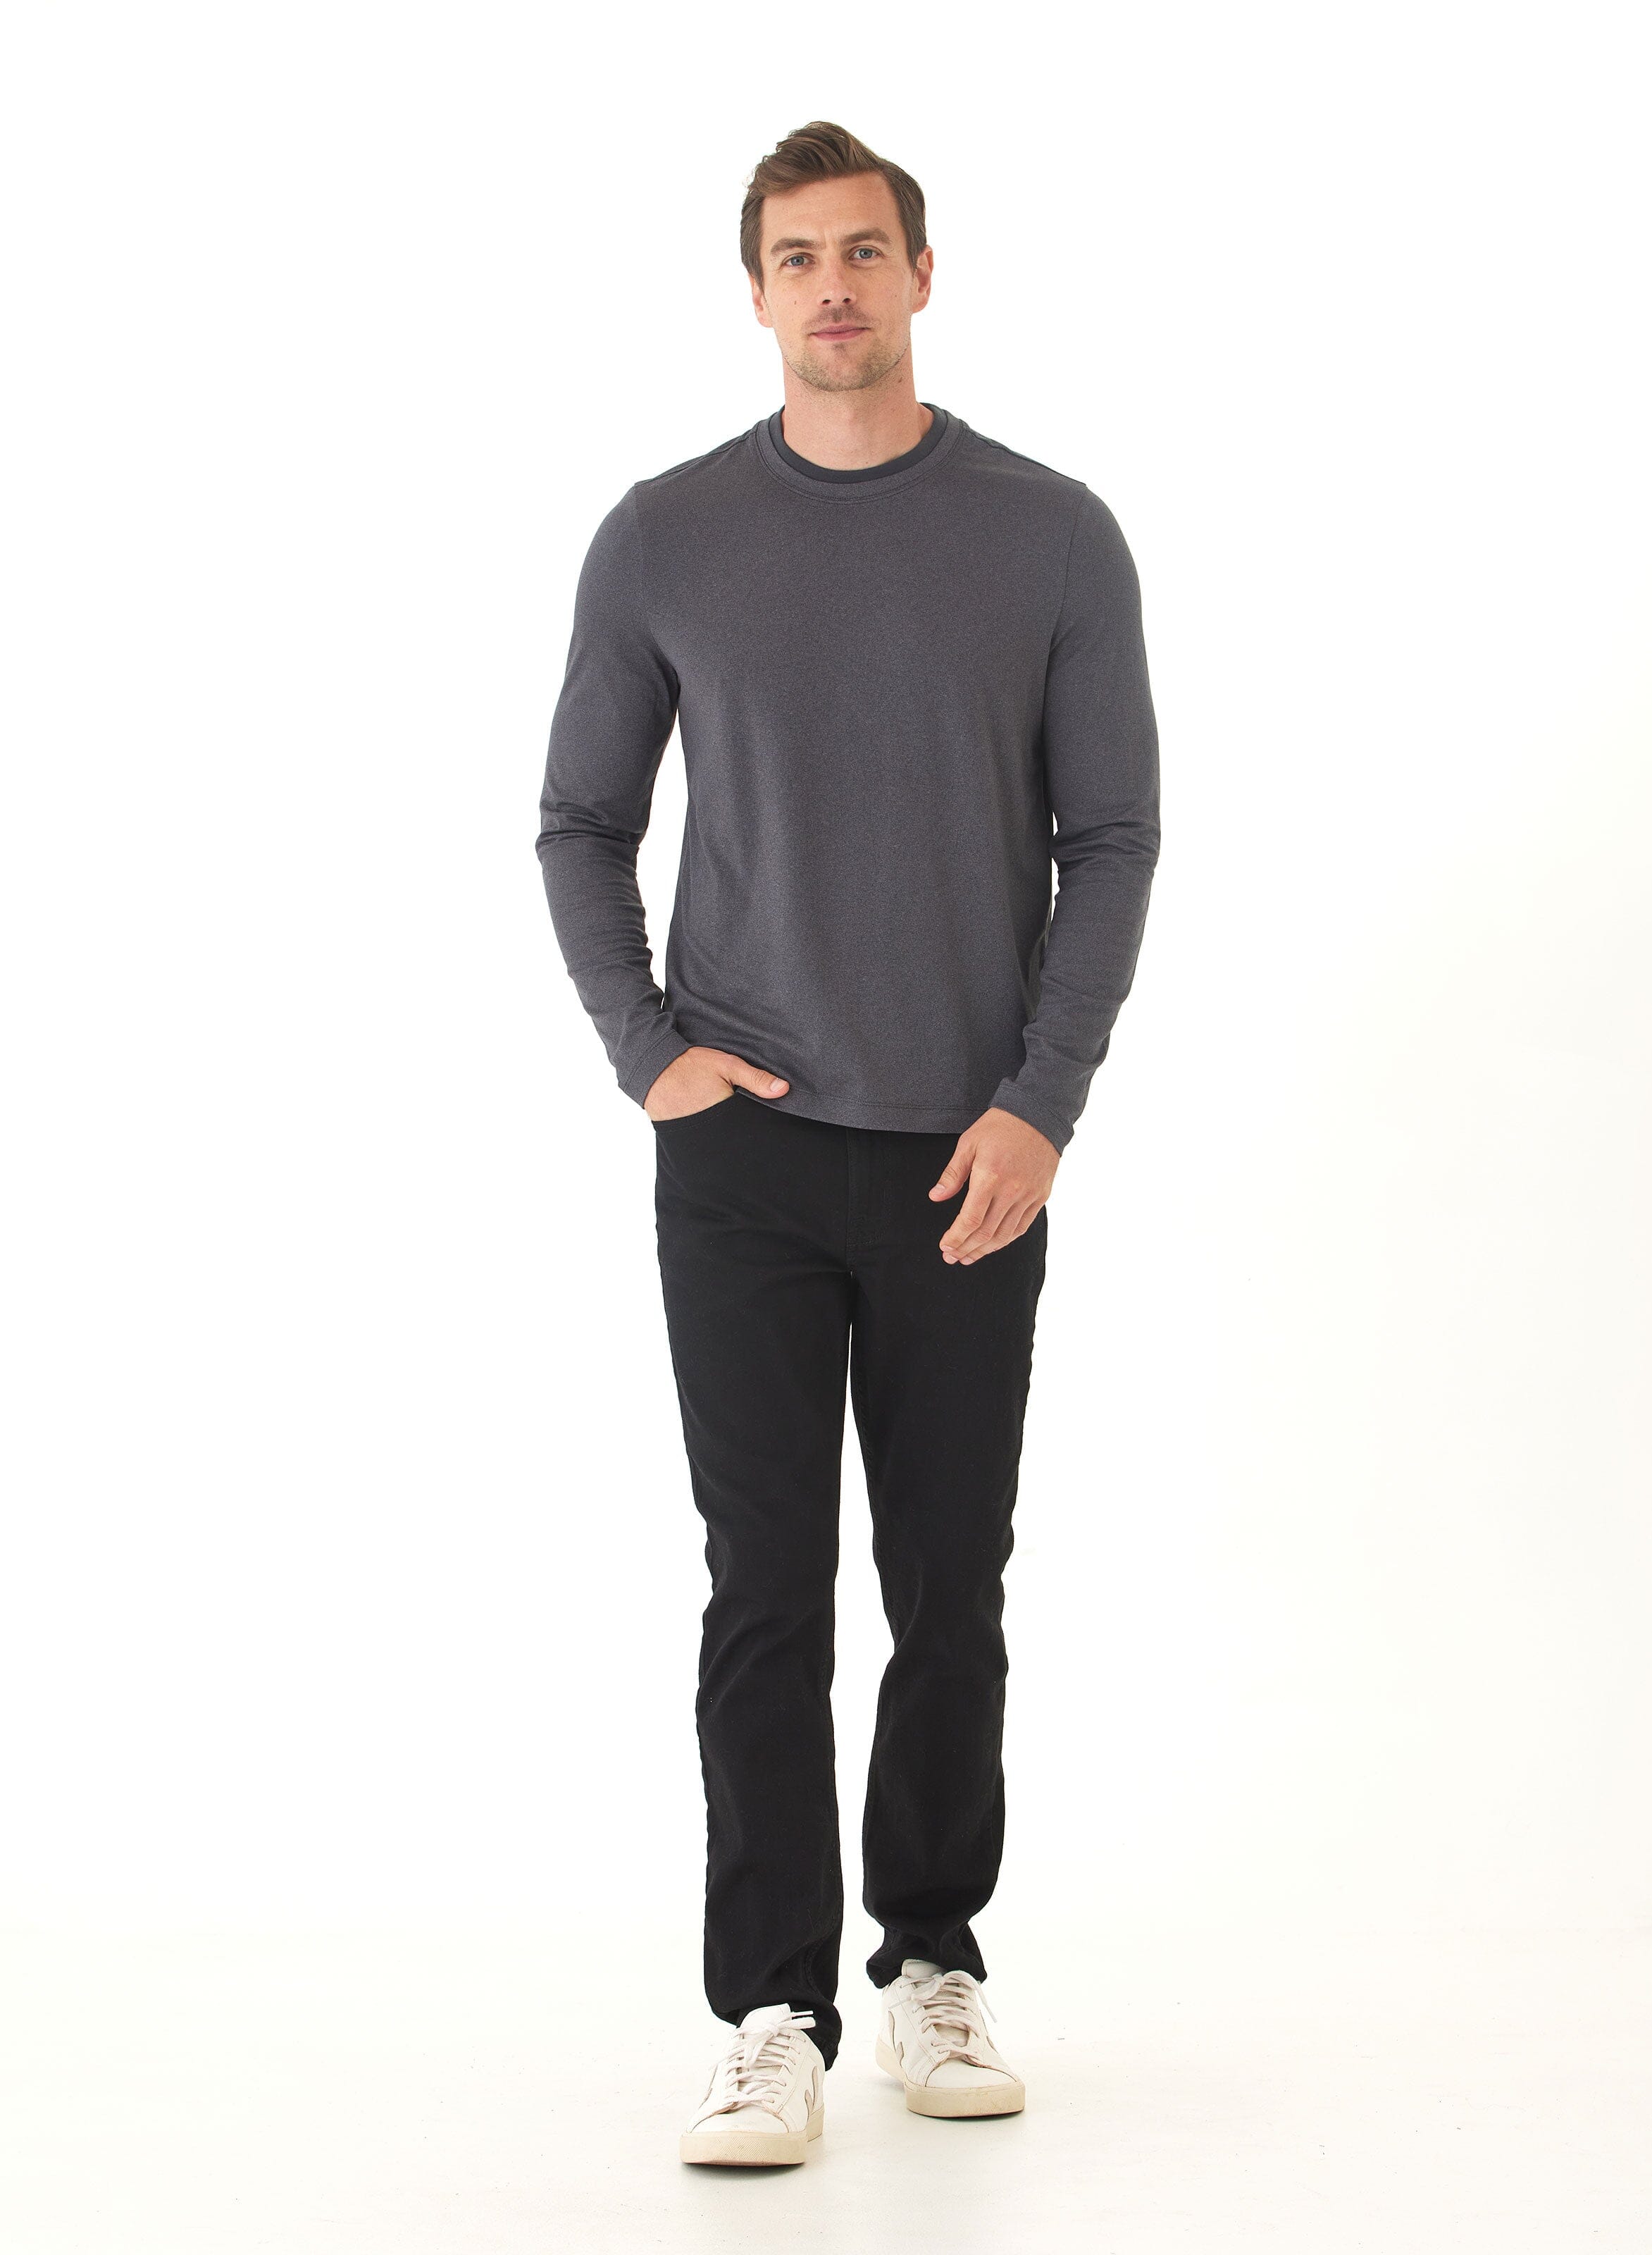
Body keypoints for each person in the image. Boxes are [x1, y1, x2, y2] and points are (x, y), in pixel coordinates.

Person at [536, 119, 1160, 2167]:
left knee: (950, 1586)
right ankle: (768, 2011)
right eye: (797, 256)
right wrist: (648, 1053)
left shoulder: (1051, 536)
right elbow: (580, 822)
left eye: (864, 251)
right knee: (765, 1596)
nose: (832, 285)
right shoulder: (666, 537)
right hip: (746, 1154)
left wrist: (1042, 1102)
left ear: (920, 276)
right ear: (755, 292)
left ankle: (932, 1961)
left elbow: (1112, 836)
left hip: (971, 1157)